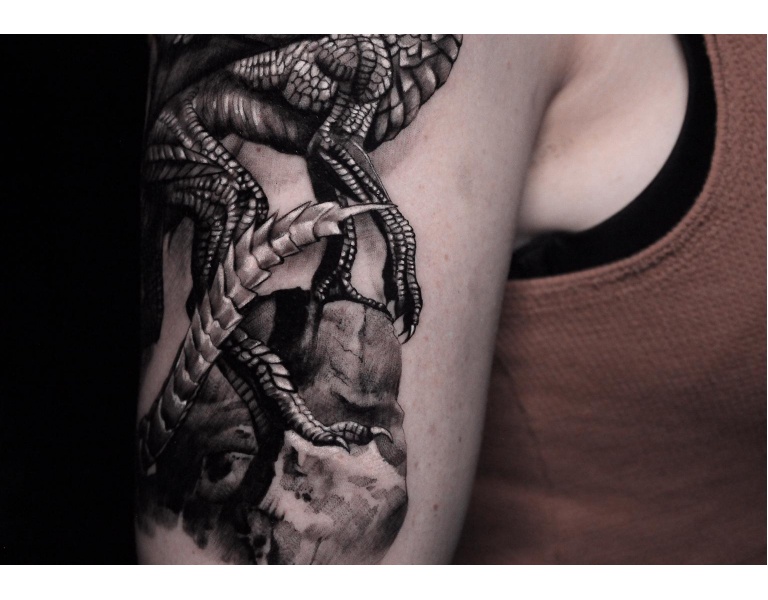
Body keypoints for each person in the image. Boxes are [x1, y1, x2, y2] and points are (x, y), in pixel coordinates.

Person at [135, 34, 765, 564]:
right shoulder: (378, 53)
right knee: (240, 211)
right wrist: (397, 237)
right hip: (197, 138)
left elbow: (332, 149)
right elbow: (329, 149)